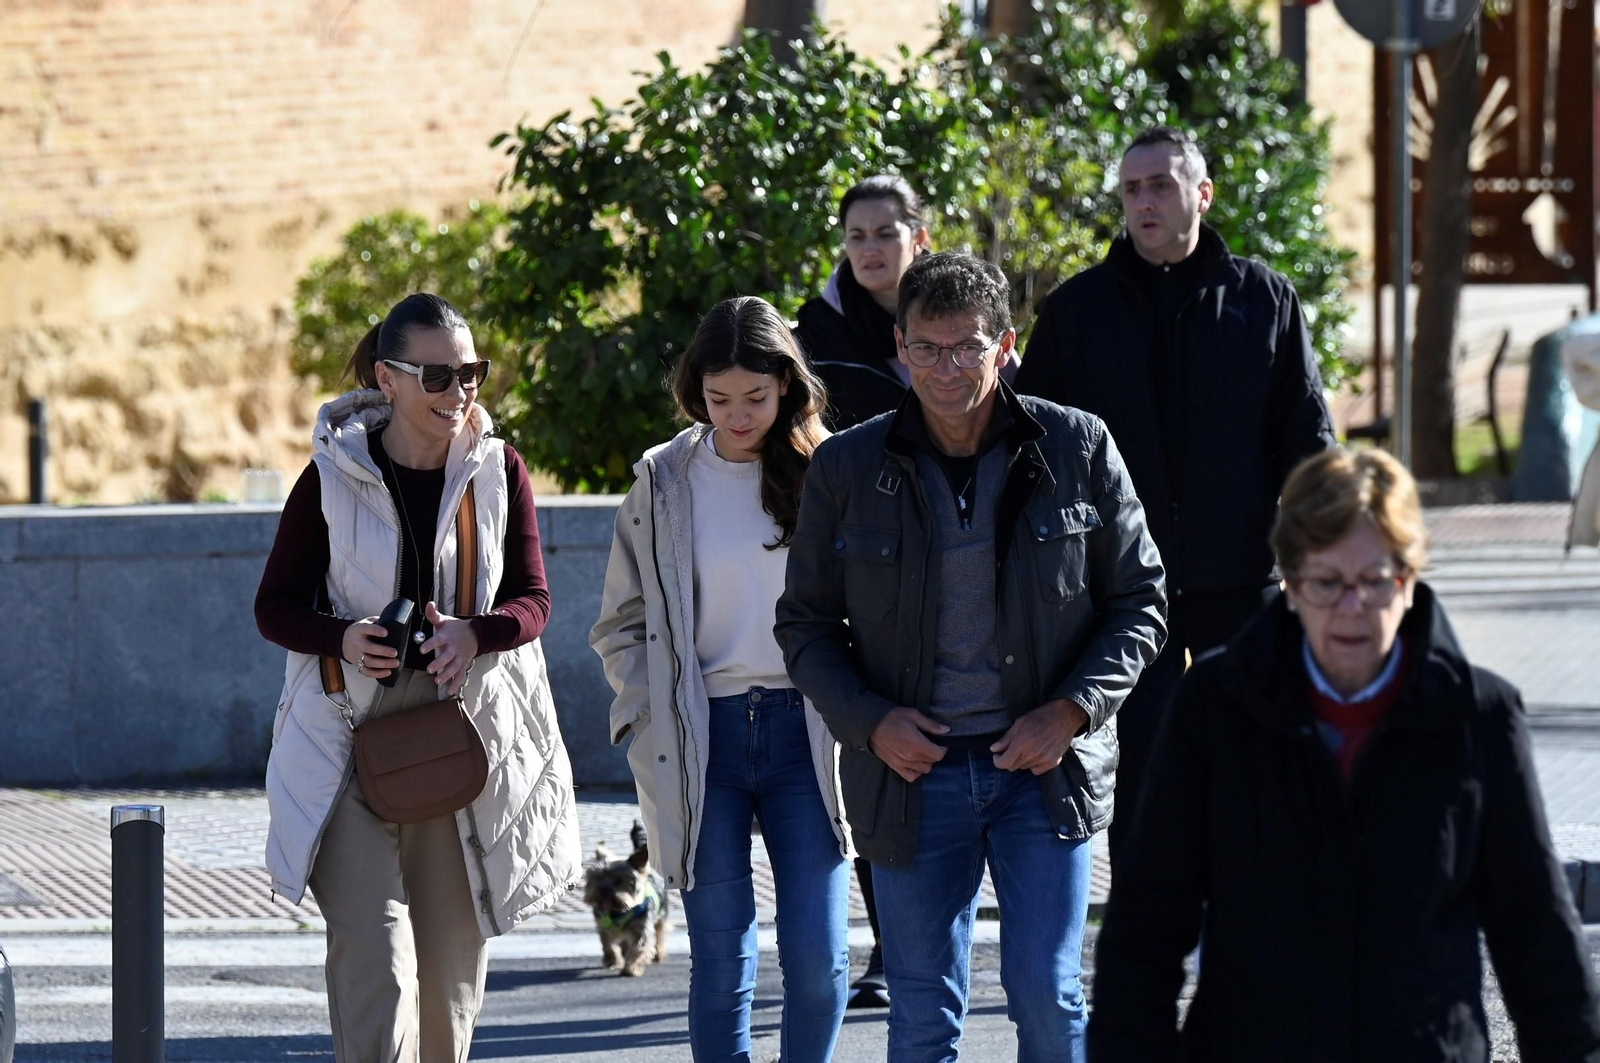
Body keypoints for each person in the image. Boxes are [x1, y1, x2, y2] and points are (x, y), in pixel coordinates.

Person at [775, 252, 1167, 1062]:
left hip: (1045, 770)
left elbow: (1142, 600)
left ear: (1006, 345)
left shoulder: (1077, 445)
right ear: (899, 346)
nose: (947, 369)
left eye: (968, 348)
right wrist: (871, 723)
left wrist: (1070, 712)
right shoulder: (847, 466)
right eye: (927, 348)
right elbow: (805, 626)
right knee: (921, 1015)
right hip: (913, 777)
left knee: (1047, 996)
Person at [1089, 447, 1600, 1061]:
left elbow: (1537, 937)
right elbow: (1146, 927)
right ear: (1292, 585)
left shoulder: (1478, 715)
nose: (1352, 608)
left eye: (1374, 582)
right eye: (1327, 583)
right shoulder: (1217, 707)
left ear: (1408, 582)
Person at [256, 293, 583, 1062]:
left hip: (457, 734)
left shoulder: (500, 472)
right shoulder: (331, 476)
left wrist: (478, 634)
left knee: (448, 978)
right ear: (388, 378)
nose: (459, 391)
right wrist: (344, 634)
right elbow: (273, 606)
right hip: (346, 736)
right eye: (437, 375)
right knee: (375, 955)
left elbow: (534, 597)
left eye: (470, 371)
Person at [1014, 124, 1337, 867]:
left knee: (1255, 761)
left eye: (1160, 184)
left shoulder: (1265, 300)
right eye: (1131, 188)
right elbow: (1033, 453)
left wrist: (1318, 559)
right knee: (1149, 773)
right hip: (1124, 592)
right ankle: (1145, 944)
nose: (1144, 201)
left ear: (1203, 192)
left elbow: (1309, 446)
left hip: (1241, 578)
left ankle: (1256, 936)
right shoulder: (1076, 312)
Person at [591, 296, 853, 1062]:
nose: (738, 416)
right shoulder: (663, 479)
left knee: (817, 959)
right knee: (720, 961)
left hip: (811, 732)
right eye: (719, 399)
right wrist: (644, 721)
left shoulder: (832, 469)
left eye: (757, 398)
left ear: (789, 387)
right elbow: (620, 622)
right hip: (700, 737)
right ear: (694, 391)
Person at [792, 173, 927, 1005]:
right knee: (877, 759)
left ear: (920, 235)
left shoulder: (957, 311)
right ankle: (890, 946)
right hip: (864, 568)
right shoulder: (815, 334)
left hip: (962, 560)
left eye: (886, 231)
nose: (870, 249)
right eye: (856, 235)